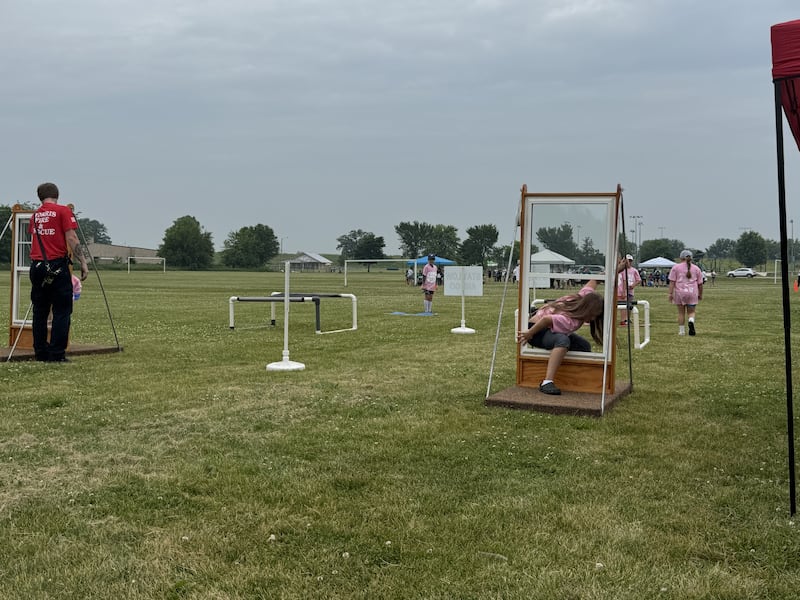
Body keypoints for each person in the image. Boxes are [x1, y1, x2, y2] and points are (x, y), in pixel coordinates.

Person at [28, 182, 89, 362]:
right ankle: (56, 354)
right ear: (57, 195)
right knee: (62, 310)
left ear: (40, 197)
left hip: (37, 266)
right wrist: (83, 262)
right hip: (56, 266)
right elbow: (71, 237)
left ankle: (40, 351)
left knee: (40, 311)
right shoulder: (63, 211)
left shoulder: (35, 216)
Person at [516, 280, 605, 395]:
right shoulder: (570, 321)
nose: (593, 319)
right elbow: (546, 319)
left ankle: (575, 375)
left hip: (545, 327)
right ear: (586, 309)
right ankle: (547, 382)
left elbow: (594, 281)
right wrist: (529, 333)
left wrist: (616, 270)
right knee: (563, 341)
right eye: (593, 315)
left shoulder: (582, 297)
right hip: (537, 331)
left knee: (583, 346)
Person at [668, 249, 703, 336]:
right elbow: (700, 283)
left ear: (681, 258)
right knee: (691, 312)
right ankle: (691, 320)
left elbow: (672, 282)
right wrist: (700, 294)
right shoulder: (696, 268)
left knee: (681, 312)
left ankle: (681, 331)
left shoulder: (675, 267)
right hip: (692, 292)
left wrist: (670, 293)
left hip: (680, 292)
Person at [617, 254, 641, 326]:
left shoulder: (634, 270)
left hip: (630, 290)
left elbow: (638, 280)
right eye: (627, 261)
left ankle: (627, 318)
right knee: (622, 305)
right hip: (621, 290)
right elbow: (623, 280)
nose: (629, 262)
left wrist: (633, 285)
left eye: (630, 261)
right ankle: (624, 319)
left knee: (629, 305)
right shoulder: (622, 270)